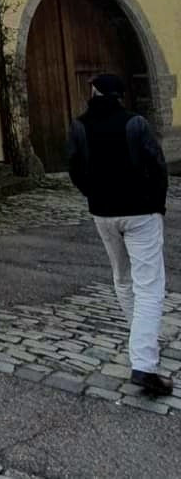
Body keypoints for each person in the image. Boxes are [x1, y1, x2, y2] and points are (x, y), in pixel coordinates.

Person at [67, 71, 172, 397]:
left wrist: (94, 195)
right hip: (140, 211)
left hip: (104, 213)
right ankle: (143, 362)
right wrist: (156, 203)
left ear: (96, 92)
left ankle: (141, 342)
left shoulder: (79, 125)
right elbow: (157, 165)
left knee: (123, 279)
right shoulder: (135, 123)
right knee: (150, 286)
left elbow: (75, 170)